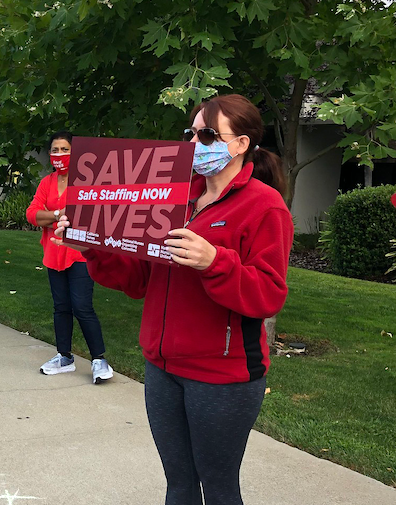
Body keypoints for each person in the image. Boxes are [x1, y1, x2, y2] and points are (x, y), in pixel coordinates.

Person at [53, 94, 293, 505]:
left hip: (222, 376)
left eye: (208, 134)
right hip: (162, 368)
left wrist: (215, 261)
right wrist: (91, 243)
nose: (196, 142)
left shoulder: (264, 205)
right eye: (192, 133)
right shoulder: (174, 199)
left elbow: (268, 294)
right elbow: (141, 279)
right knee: (178, 484)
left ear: (241, 144)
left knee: (218, 488)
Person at [26, 131, 112, 384]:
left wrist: (51, 216)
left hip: (80, 254)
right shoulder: (47, 183)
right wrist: (57, 214)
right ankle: (64, 357)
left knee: (82, 307)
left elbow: (87, 216)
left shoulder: (86, 183)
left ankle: (99, 359)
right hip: (54, 253)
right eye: (55, 150)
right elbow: (32, 215)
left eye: (65, 150)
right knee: (61, 307)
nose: (59, 155)